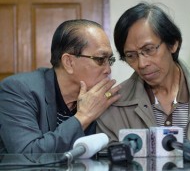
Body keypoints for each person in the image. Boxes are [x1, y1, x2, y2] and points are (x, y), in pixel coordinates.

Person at [96, 2, 190, 143]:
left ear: (173, 44)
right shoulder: (115, 105)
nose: (142, 64)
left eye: (148, 50)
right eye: (131, 56)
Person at [0, 19, 121, 153]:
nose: (108, 70)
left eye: (110, 60)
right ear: (69, 62)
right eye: (100, 59)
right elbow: (28, 154)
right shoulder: (19, 90)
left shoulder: (98, 98)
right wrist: (83, 117)